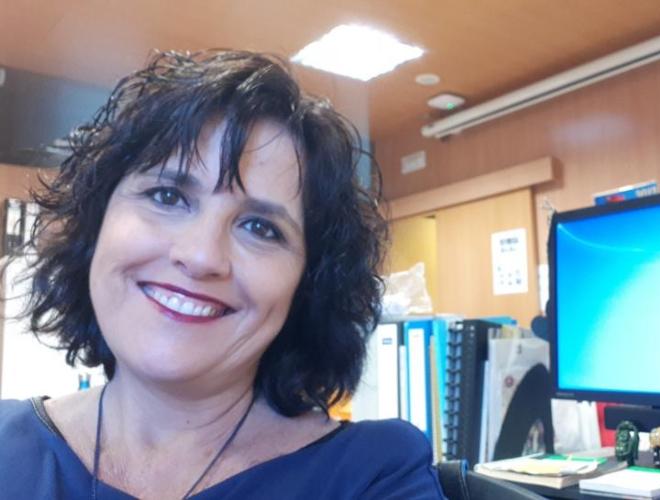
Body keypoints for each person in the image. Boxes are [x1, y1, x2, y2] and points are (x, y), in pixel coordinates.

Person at [0, 50, 445, 499]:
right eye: (168, 196)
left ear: (308, 285)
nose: (200, 256)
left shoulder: (373, 476)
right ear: (97, 223)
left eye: (260, 228)